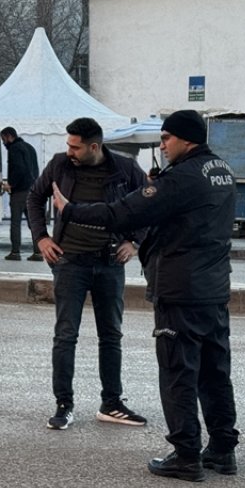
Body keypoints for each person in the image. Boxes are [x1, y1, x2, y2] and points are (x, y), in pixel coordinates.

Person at [51, 109, 240, 482]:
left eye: (167, 138)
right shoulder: (222, 170)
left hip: (181, 288)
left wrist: (70, 211)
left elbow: (124, 212)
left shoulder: (183, 177)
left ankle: (186, 454)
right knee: (214, 371)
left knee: (178, 371)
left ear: (187, 140)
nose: (162, 145)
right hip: (213, 287)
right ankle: (222, 449)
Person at [27, 117, 148, 431]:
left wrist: (134, 241)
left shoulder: (125, 169)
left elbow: (150, 205)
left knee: (111, 336)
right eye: (68, 144)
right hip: (70, 263)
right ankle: (64, 404)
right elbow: (34, 198)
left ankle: (111, 403)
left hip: (109, 264)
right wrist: (41, 237)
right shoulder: (59, 165)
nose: (69, 151)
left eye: (75, 146)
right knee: (66, 335)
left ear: (94, 147)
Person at [0, 126, 40, 261]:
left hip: (19, 192)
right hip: (33, 190)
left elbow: (19, 169)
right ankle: (38, 252)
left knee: (15, 223)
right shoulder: (30, 147)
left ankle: (15, 252)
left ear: (8, 136)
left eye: (3, 139)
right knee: (33, 223)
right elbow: (35, 169)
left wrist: (11, 184)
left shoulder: (14, 149)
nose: (3, 142)